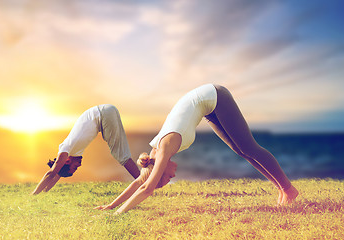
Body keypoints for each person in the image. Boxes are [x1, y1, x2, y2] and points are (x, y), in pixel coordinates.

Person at [95, 84, 299, 214]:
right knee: (241, 150)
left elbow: (146, 187)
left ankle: (288, 189)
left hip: (215, 96)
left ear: (161, 169)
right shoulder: (154, 155)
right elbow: (140, 180)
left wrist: (118, 214)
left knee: (249, 147)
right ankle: (282, 189)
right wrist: (111, 205)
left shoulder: (165, 148)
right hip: (207, 106)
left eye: (165, 179)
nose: (171, 178)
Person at [31, 104, 140, 195]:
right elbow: (57, 175)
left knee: (121, 155)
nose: (79, 165)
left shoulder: (65, 149)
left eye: (75, 167)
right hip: (106, 111)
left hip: (103, 115)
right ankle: (146, 180)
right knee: (122, 151)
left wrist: (34, 194)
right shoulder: (71, 153)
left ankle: (144, 182)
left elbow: (51, 173)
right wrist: (45, 191)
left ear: (67, 161)